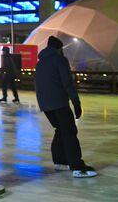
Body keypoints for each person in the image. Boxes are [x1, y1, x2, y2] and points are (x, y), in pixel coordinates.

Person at [35, 36, 97, 178]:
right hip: (59, 103)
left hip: (45, 104)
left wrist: (44, 104)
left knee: (61, 130)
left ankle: (60, 161)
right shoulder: (59, 60)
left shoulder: (40, 63)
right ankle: (77, 166)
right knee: (69, 131)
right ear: (59, 48)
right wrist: (76, 103)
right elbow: (67, 83)